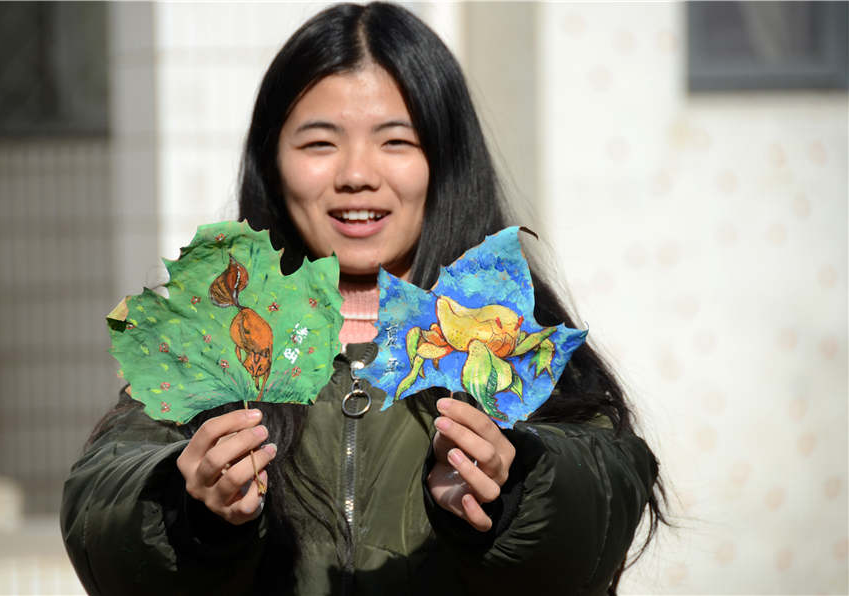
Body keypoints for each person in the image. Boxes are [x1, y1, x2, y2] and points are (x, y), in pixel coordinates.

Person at [61, 3, 665, 595]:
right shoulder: (212, 337)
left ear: (446, 160)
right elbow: (103, 505)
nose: (356, 173)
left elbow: (602, 496)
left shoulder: (511, 339)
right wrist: (191, 512)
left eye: (396, 142)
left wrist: (510, 495)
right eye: (320, 143)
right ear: (272, 164)